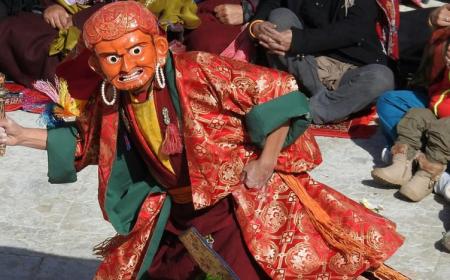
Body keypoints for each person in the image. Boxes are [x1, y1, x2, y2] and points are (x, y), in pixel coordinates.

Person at [0, 2, 405, 279]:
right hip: (173, 213)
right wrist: (19, 135)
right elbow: (82, 145)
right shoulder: (111, 103)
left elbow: (278, 91)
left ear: (159, 47)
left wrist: (264, 164)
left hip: (235, 205)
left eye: (136, 50)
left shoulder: (201, 72)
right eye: (112, 58)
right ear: (96, 63)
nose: (126, 67)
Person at [247, 0, 396, 125]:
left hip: (349, 69)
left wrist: (298, 40)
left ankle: (302, 111)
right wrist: (257, 26)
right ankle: (326, 102)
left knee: (382, 79)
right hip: (305, 63)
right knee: (279, 17)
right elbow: (272, 4)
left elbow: (354, 29)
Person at [377, 4, 450, 201]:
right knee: (391, 103)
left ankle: (434, 173)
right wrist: (436, 25)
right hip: (437, 106)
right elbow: (433, 78)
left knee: (444, 128)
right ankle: (407, 160)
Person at [0, 0, 107, 87]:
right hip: (57, 15)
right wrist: (52, 6)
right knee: (11, 28)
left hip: (100, 19)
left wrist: (78, 19)